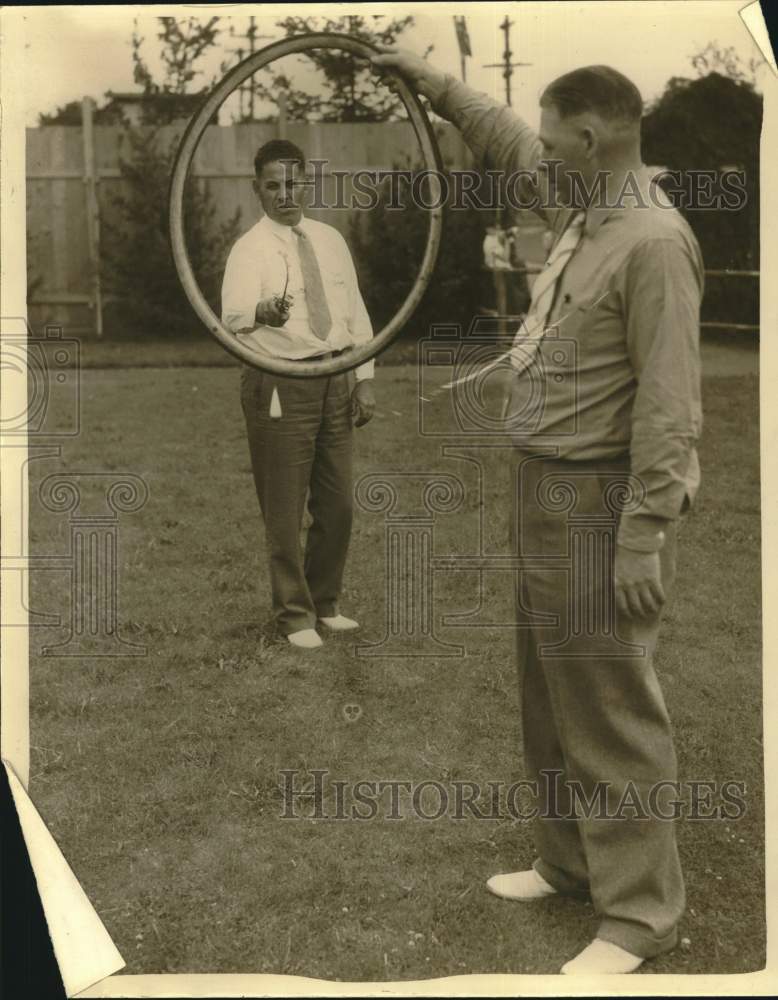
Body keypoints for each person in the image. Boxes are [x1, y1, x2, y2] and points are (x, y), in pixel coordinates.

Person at [372, 50, 702, 974]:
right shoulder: (581, 202)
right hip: (544, 487)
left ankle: (639, 914)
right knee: (551, 695)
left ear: (593, 141)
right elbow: (509, 138)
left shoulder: (652, 241)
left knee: (610, 701)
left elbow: (671, 408)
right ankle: (568, 863)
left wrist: (641, 538)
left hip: (601, 499)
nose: (540, 162)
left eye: (558, 147)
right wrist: (431, 84)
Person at [222, 139, 376, 651]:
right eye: (273, 186)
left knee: (338, 505)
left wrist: (365, 377)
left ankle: (325, 602)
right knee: (285, 506)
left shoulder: (330, 239)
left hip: (336, 377)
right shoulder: (250, 248)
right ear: (257, 190)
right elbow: (232, 318)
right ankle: (293, 614)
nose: (285, 195)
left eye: (294, 183)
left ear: (307, 183)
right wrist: (262, 312)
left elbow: (353, 310)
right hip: (280, 380)